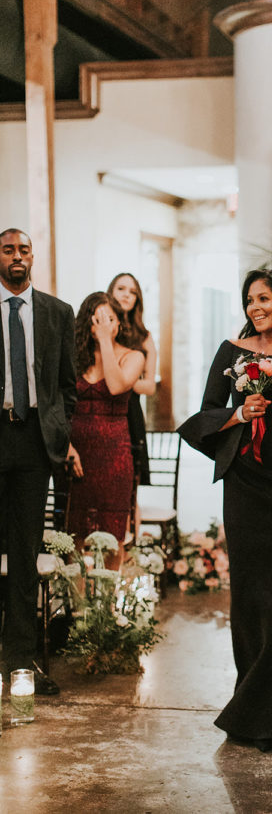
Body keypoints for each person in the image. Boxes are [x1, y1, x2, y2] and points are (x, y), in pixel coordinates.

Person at [178, 268, 272, 753]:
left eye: (264, 298)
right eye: (249, 300)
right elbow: (202, 416)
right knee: (251, 593)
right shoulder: (231, 351)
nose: (255, 307)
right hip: (246, 487)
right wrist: (239, 413)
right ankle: (251, 705)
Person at [0, 227, 76, 695]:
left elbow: (66, 384)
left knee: (26, 554)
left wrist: (59, 426)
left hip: (33, 442)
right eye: (8, 250)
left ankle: (19, 663)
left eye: (24, 249)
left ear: (33, 257)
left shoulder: (56, 312)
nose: (17, 257)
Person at [67, 292, 145, 569]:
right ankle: (77, 608)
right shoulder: (73, 357)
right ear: (85, 322)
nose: (103, 324)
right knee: (73, 534)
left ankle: (107, 609)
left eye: (109, 319)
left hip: (114, 454)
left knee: (113, 535)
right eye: (96, 318)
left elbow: (115, 386)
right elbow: (57, 404)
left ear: (118, 324)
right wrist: (65, 446)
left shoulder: (134, 356)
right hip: (75, 455)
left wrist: (104, 342)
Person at [107, 273, 157, 492]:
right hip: (102, 408)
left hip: (130, 411)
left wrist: (124, 380)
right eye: (121, 289)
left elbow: (149, 386)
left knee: (130, 481)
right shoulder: (101, 330)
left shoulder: (144, 336)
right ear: (110, 292)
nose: (127, 295)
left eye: (133, 291)